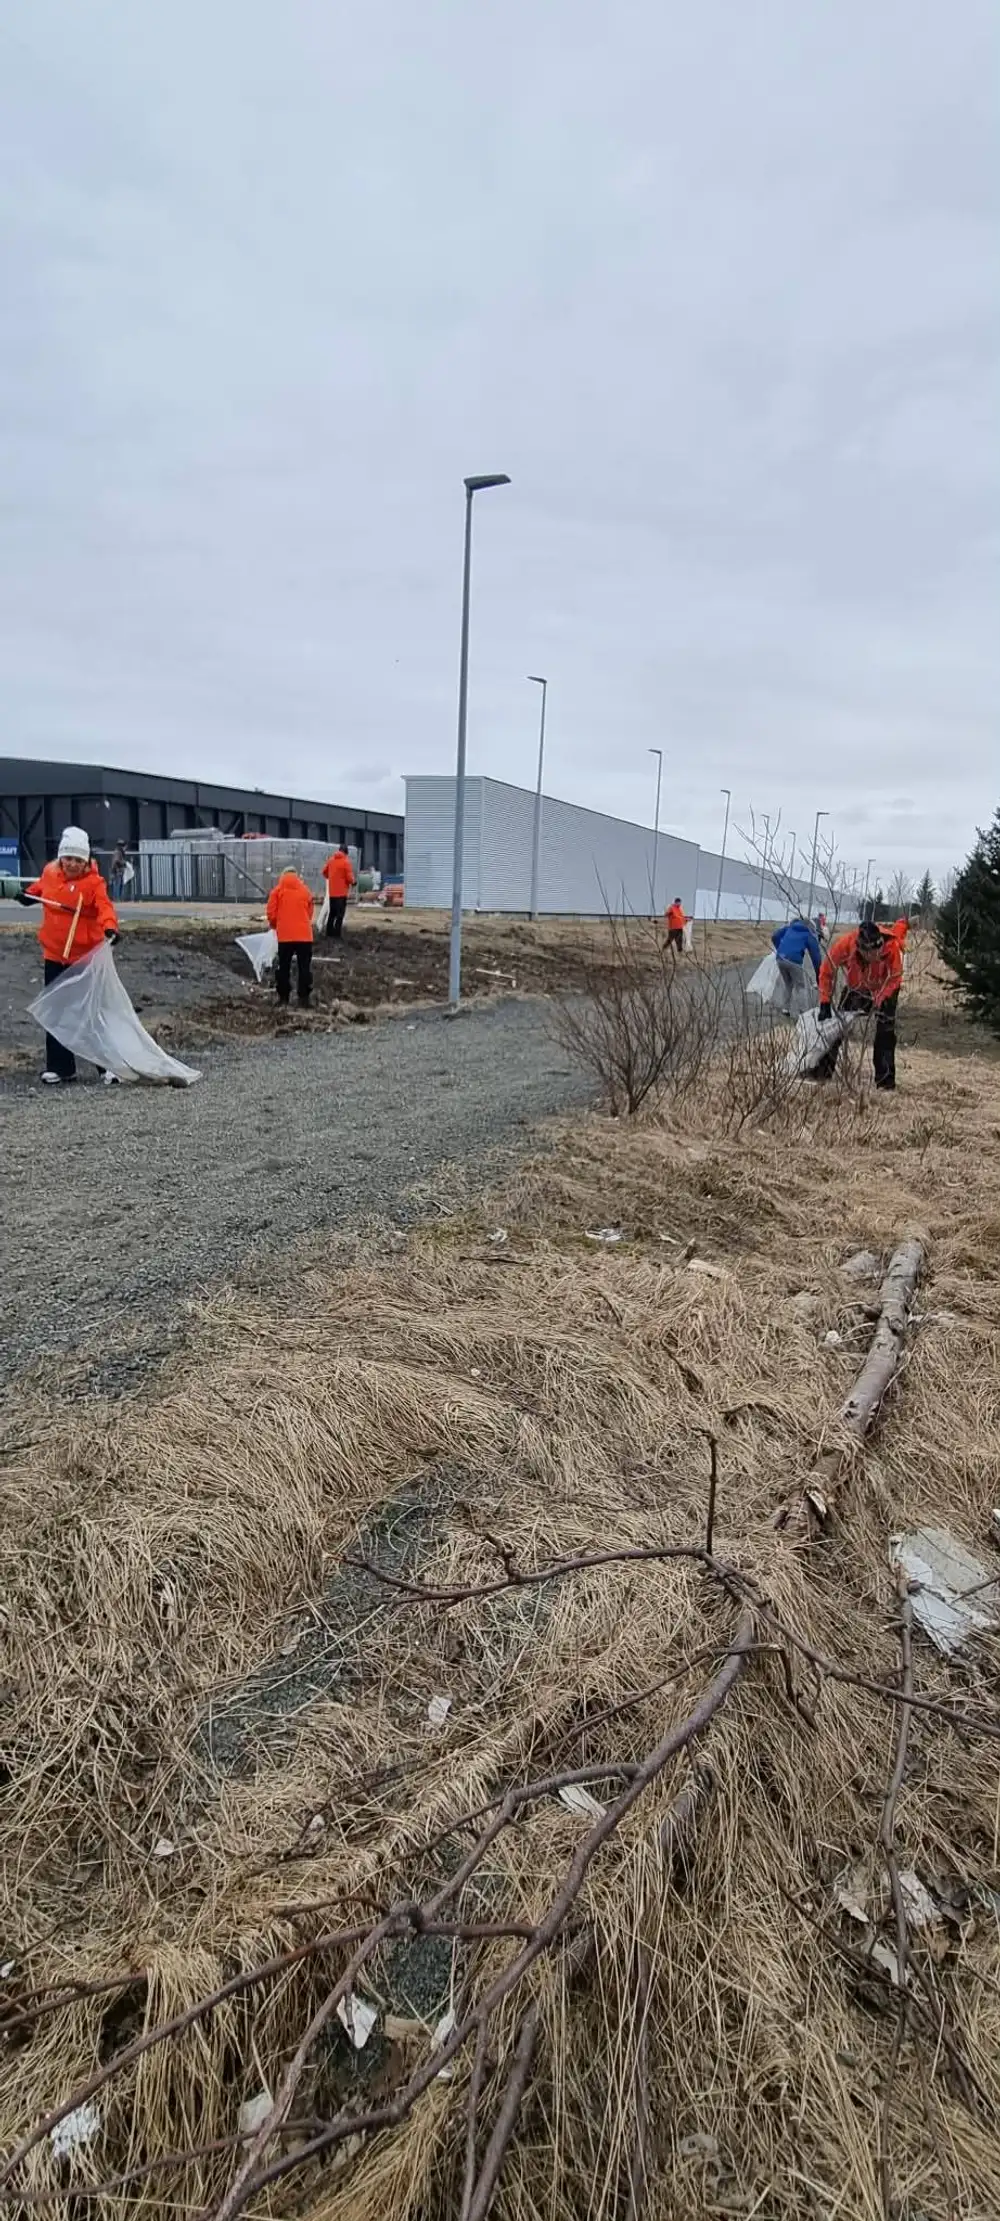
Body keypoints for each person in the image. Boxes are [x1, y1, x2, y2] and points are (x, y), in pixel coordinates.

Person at [19, 826, 119, 1084]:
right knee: (57, 1011)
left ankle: (107, 1066)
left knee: (90, 1012)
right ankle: (62, 1067)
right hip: (54, 955)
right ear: (60, 857)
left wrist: (110, 927)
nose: (72, 864)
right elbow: (39, 888)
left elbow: (104, 907)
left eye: (78, 859)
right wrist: (29, 895)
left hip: (84, 958)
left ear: (86, 860)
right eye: (68, 858)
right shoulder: (50, 874)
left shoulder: (94, 883)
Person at [813, 917, 903, 1090]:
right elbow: (826, 970)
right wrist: (824, 1001)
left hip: (886, 988)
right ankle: (822, 1072)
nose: (876, 956)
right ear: (860, 949)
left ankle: (885, 1082)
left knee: (886, 1033)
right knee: (835, 1027)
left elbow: (895, 978)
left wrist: (882, 998)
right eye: (870, 954)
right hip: (857, 988)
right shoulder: (845, 945)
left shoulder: (891, 947)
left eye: (878, 951)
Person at [266, 869, 315, 1007]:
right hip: (304, 936)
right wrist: (304, 922)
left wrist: (276, 925)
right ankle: (304, 999)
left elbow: (271, 912)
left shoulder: (277, 891)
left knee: (284, 967)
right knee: (304, 967)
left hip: (285, 936)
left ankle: (283, 998)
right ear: (297, 876)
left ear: (283, 875)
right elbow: (310, 910)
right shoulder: (305, 890)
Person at [770, 915, 823, 1017]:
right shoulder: (808, 934)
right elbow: (816, 957)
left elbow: (775, 936)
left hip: (780, 958)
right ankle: (804, 1013)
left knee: (788, 984)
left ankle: (785, 1009)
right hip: (794, 960)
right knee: (800, 986)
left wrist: (780, 949)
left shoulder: (790, 927)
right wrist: (819, 976)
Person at [322, 843, 356, 938]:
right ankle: (337, 934)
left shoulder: (331, 860)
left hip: (332, 893)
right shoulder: (345, 862)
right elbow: (349, 877)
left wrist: (331, 877)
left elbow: (324, 872)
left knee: (332, 913)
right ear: (346, 852)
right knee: (340, 915)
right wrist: (353, 882)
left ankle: (329, 933)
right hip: (341, 893)